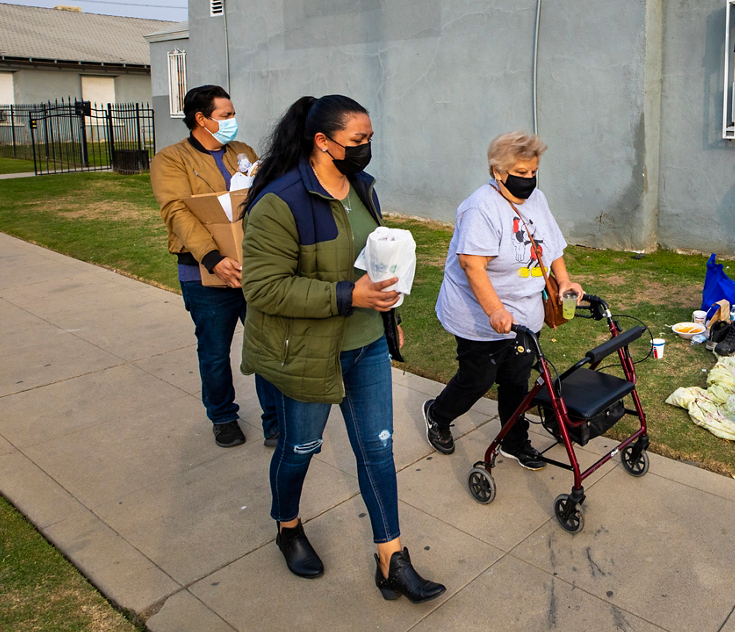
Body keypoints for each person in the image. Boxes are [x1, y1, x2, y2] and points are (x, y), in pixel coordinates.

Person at [240, 95, 444, 603]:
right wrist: (348, 295)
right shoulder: (280, 202)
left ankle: (391, 558)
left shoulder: (362, 187)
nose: (366, 147)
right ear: (322, 140)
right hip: (309, 351)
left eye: (370, 138)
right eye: (357, 140)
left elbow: (376, 261)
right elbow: (263, 288)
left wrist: (389, 317)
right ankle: (288, 526)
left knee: (378, 449)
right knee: (299, 448)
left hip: (366, 344)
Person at [424, 132, 584, 469]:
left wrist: (565, 280)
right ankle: (438, 414)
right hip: (478, 314)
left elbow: (551, 245)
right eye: (521, 172)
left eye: (533, 172)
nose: (529, 179)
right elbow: (472, 265)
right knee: (477, 379)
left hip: (524, 313)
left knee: (516, 380)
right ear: (497, 171)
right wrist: (495, 309)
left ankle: (514, 441)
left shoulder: (536, 199)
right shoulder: (480, 207)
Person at [150, 85, 278, 448]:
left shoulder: (242, 151)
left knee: (267, 348)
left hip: (253, 268)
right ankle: (223, 417)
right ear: (201, 119)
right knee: (215, 352)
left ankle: (274, 420)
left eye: (232, 113)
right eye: (225, 115)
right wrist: (213, 259)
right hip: (204, 272)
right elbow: (177, 212)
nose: (232, 120)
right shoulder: (171, 160)